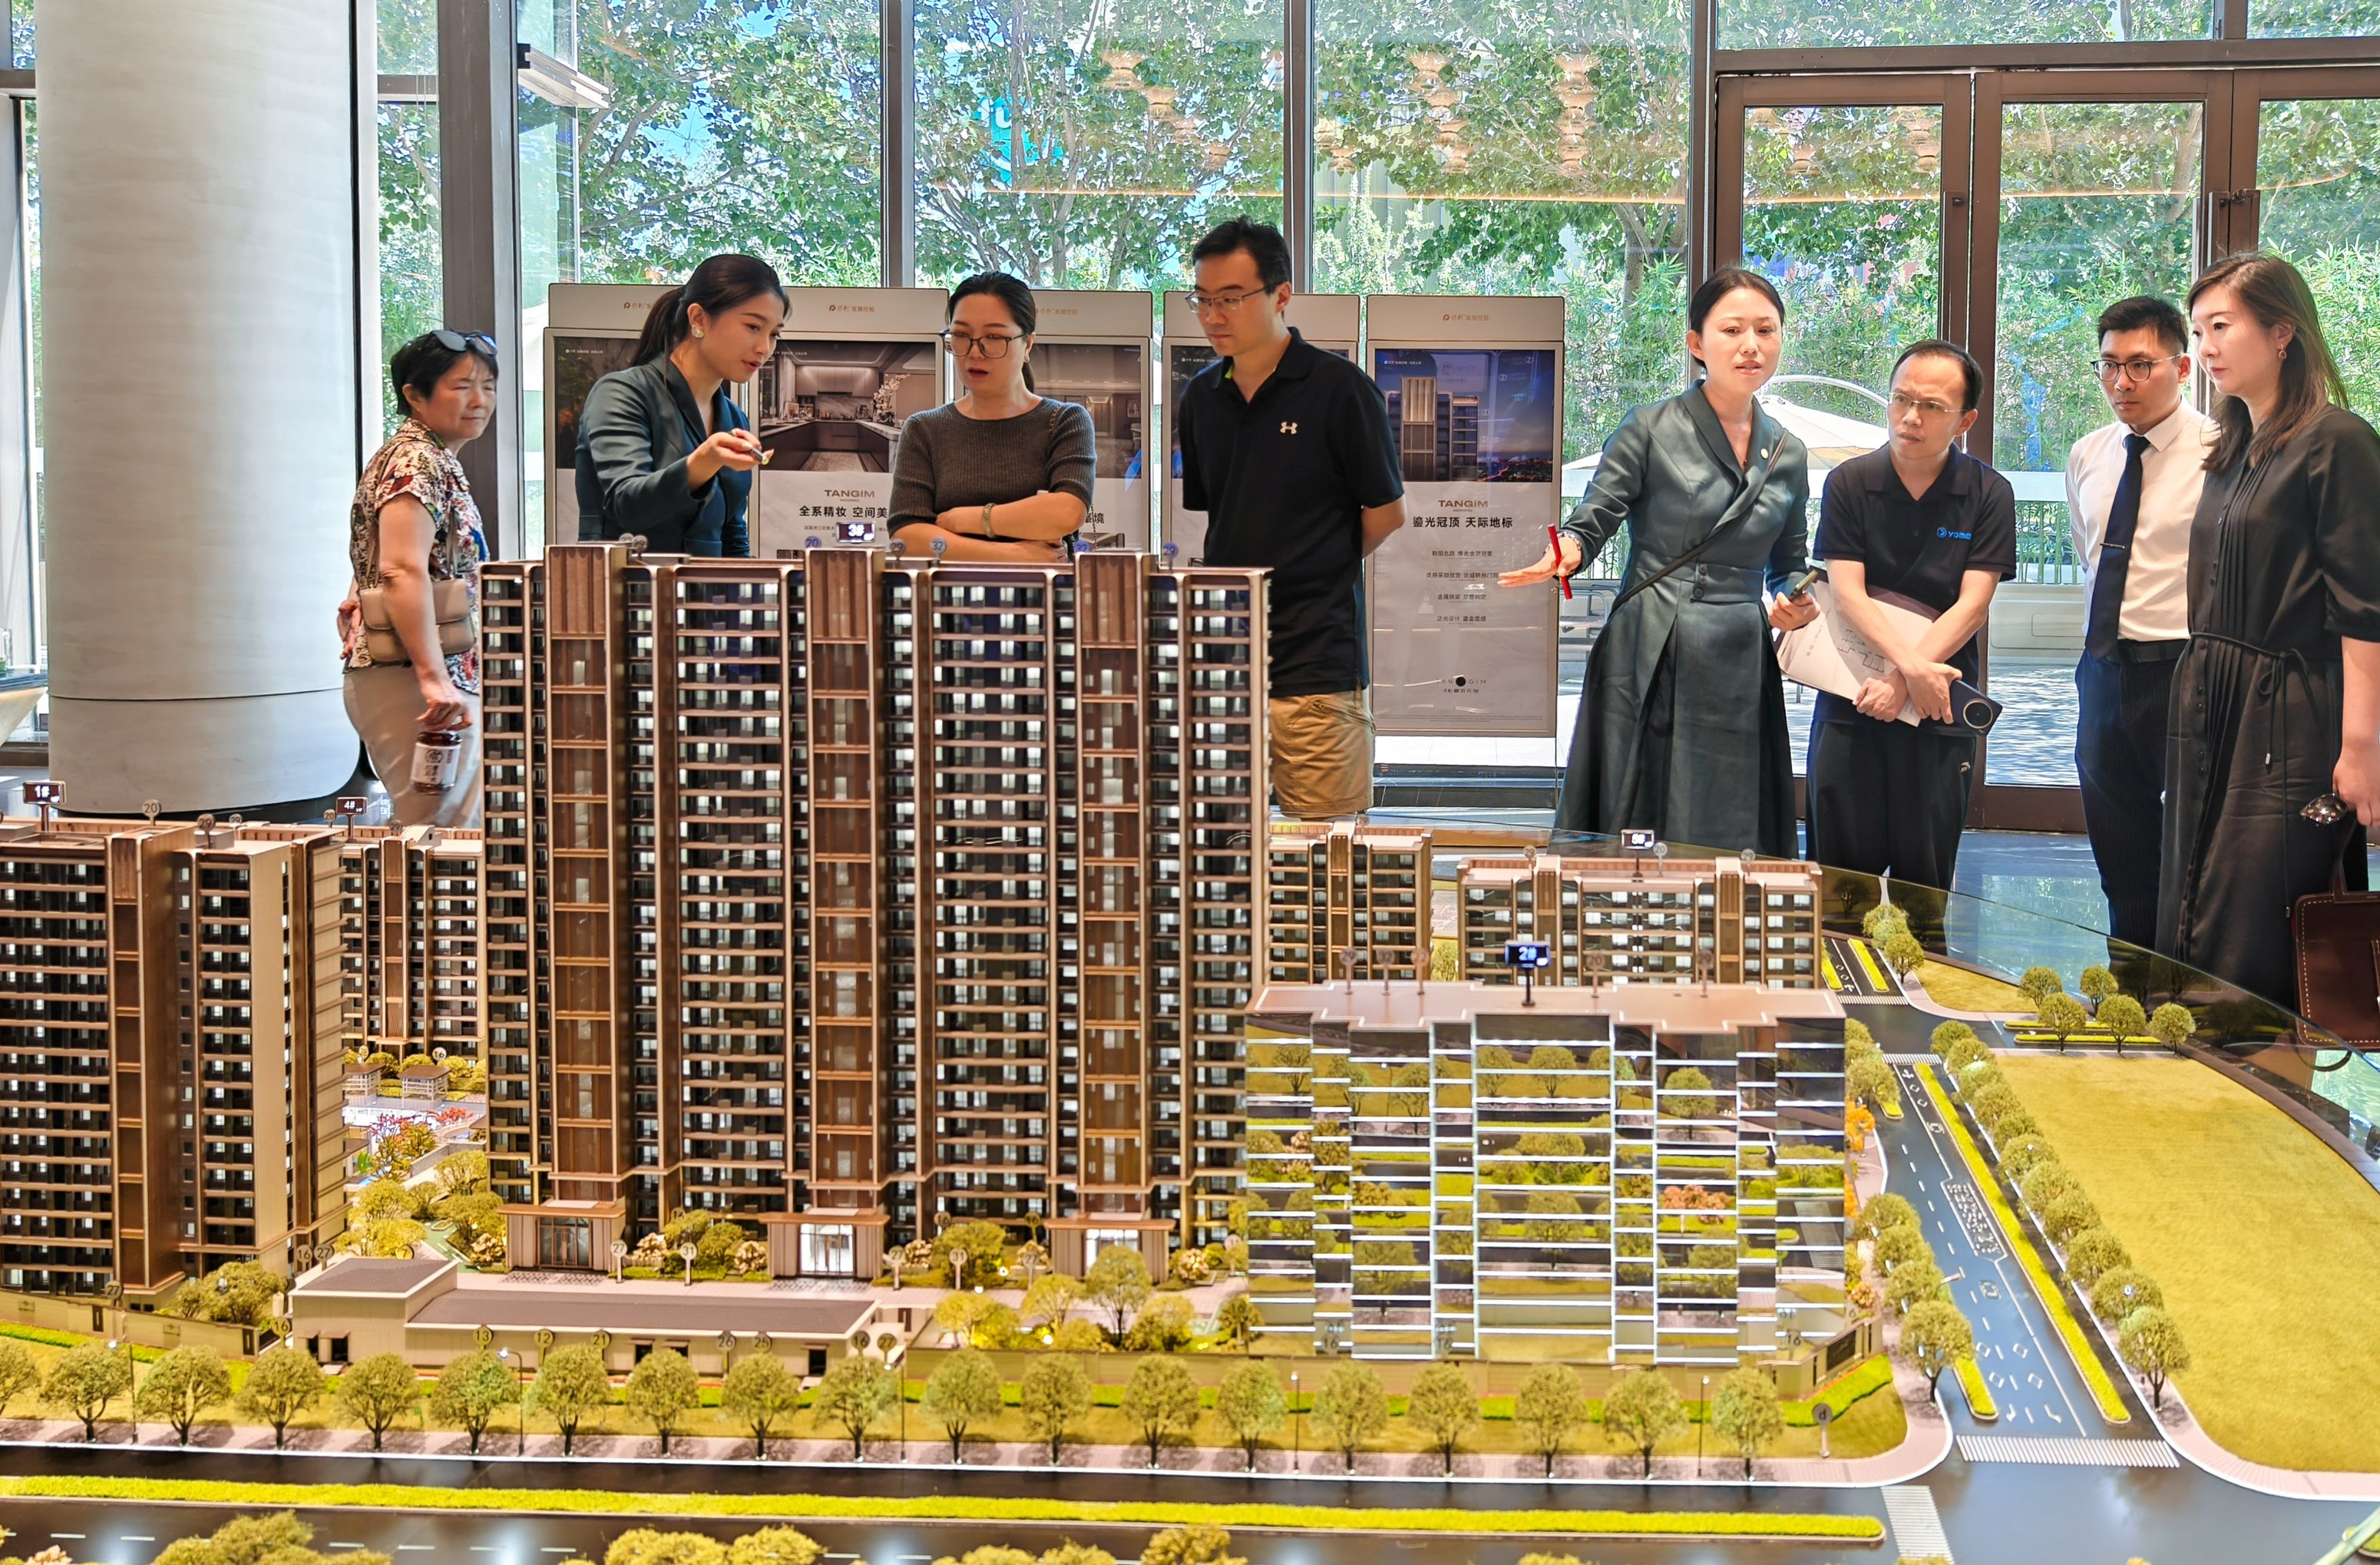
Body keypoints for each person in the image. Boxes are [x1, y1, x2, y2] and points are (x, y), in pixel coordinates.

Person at [1501, 266, 1814, 856]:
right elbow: (1596, 516)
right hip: (1654, 638)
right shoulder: (1649, 426)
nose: (1751, 345)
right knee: (1640, 803)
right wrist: (1566, 551)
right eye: (1732, 330)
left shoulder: (1787, 452)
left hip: (1740, 651)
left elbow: (1788, 560)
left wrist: (1796, 596)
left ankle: (1722, 928)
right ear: (1697, 344)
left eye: (1765, 330)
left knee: (1730, 806)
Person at [2160, 253, 2380, 1007]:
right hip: (2210, 704)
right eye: (2198, 330)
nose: (2206, 347)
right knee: (2192, 907)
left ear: (2282, 331)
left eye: (2221, 326)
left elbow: (2364, 611)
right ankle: (2203, 1086)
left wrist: (2358, 749)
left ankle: (2263, 1095)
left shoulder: (2337, 442)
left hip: (2286, 714)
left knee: (2253, 927)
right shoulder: (2229, 450)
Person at [1175, 217, 1407, 820]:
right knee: (1220, 852)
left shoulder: (1340, 390)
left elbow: (1386, 512)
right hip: (1224, 660)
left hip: (1316, 661)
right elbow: (1222, 514)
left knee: (1325, 854)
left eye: (1230, 299)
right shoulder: (1200, 398)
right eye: (1202, 300)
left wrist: (1318, 560)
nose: (1212, 315)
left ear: (1281, 294)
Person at [1803, 341, 2015, 891]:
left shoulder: (1988, 493)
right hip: (1853, 698)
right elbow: (1848, 594)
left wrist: (1906, 678)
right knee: (1841, 889)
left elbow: (1971, 607)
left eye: (1932, 407)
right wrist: (1903, 671)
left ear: (1965, 420)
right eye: (1900, 399)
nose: (1911, 417)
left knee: (1924, 890)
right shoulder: (1850, 482)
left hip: (1934, 708)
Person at [2066, 296, 2213, 951]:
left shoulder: (2222, 452)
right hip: (2102, 671)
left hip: (2185, 669)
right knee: (2117, 841)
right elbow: (2090, 555)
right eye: (2109, 366)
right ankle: (2132, 976)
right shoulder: (2088, 454)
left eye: (2140, 365)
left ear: (2181, 367)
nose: (2121, 383)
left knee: (2195, 847)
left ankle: (2197, 987)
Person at [340, 330, 496, 829]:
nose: (480, 401)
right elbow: (402, 567)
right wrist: (435, 680)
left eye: (489, 386)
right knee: (442, 837)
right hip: (415, 679)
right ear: (414, 394)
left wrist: (355, 594)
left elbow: (388, 555)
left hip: (416, 673)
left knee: (439, 829)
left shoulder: (417, 455)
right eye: (462, 386)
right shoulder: (417, 460)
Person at [577, 253, 787, 555]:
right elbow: (627, 505)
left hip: (709, 599)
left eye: (774, 334)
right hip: (625, 595)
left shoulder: (735, 418)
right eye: (753, 327)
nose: (764, 348)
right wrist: (704, 461)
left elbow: (732, 535)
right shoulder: (622, 393)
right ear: (699, 319)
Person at [886, 272, 1091, 564]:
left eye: (994, 338)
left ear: (1028, 343)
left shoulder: (1064, 421)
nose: (974, 353)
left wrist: (965, 519)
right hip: (946, 603)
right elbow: (908, 536)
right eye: (961, 336)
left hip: (1043, 602)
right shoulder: (925, 428)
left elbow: (1066, 512)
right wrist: (1013, 555)